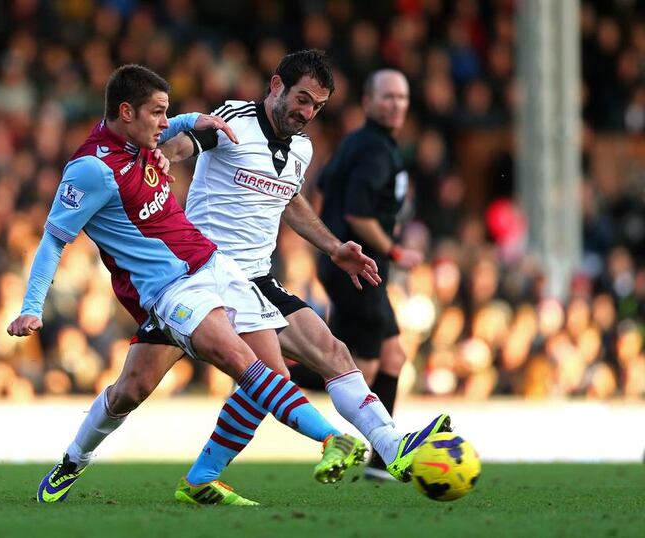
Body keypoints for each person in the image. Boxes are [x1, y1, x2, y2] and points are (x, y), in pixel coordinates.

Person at [39, 53, 450, 506]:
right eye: (302, 99)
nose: (307, 112)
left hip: (254, 279)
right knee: (129, 391)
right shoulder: (236, 117)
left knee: (326, 352)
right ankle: (74, 459)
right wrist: (158, 157)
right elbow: (182, 146)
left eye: (317, 106)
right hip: (192, 276)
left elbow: (291, 202)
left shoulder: (302, 148)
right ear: (276, 85)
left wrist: (334, 248)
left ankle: (390, 448)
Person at [305, 68, 425, 481]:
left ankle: (381, 461)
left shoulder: (358, 143)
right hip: (359, 267)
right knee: (363, 367)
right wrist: (393, 249)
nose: (396, 104)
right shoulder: (375, 150)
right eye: (387, 96)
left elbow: (323, 185)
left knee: (392, 355)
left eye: (402, 97)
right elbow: (358, 213)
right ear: (369, 103)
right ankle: (270, 373)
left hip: (351, 265)